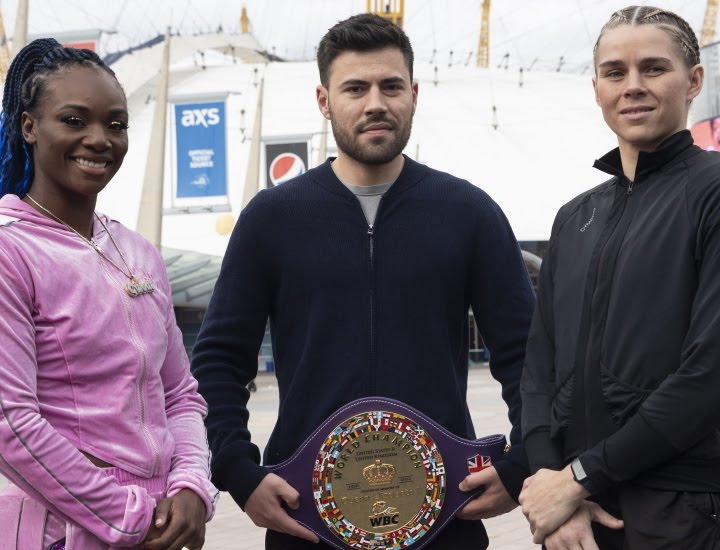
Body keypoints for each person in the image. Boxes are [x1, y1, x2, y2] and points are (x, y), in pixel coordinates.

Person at [191, 12, 535, 550]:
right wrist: (238, 472)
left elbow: (527, 355)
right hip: (306, 518)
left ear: (413, 96)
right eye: (355, 88)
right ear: (324, 101)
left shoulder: (468, 212)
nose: (376, 103)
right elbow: (218, 360)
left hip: (443, 518)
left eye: (391, 86)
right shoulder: (272, 218)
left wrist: (521, 465)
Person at [0, 39, 218, 549]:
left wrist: (191, 486)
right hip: (62, 530)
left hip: (160, 526)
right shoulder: (11, 250)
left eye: (116, 124)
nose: (99, 139)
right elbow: (10, 422)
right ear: (29, 126)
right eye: (74, 121)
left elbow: (179, 395)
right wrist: (128, 516)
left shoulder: (138, 251)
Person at [518, 6, 716, 549]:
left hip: (683, 511)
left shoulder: (711, 193)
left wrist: (578, 478)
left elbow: (709, 375)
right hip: (577, 517)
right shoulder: (575, 217)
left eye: (653, 68)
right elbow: (538, 372)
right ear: (597, 89)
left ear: (693, 80)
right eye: (614, 72)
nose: (632, 86)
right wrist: (550, 484)